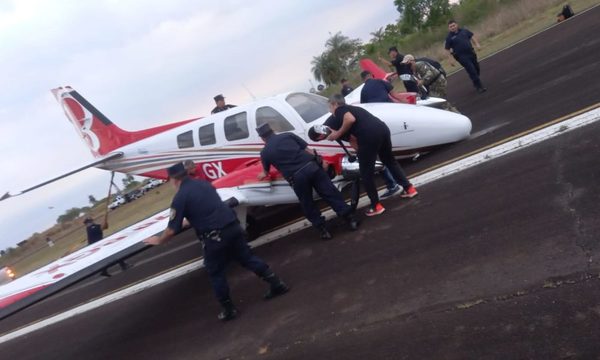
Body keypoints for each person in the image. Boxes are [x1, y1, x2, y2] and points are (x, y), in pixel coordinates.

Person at [144, 162, 289, 321]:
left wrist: (159, 240)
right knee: (247, 258)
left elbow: (171, 230)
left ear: (173, 179)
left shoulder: (180, 197)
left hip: (215, 237)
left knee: (215, 272)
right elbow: (208, 207)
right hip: (233, 227)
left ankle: (228, 309)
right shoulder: (204, 184)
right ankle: (277, 283)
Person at [257, 123, 358, 239]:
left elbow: (265, 172)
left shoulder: (264, 152)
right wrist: (321, 161)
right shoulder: (288, 136)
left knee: (307, 203)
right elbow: (309, 150)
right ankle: (350, 220)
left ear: (263, 138)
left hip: (296, 177)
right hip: (312, 167)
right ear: (273, 130)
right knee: (330, 193)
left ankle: (323, 230)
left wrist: (261, 175)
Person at [324, 94, 418, 216]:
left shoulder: (341, 110)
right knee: (390, 161)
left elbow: (350, 119)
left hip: (368, 136)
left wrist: (337, 134)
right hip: (382, 129)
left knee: (366, 173)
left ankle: (376, 206)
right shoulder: (355, 108)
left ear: (334, 104)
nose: (330, 110)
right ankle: (409, 188)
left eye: (329, 107)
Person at [445, 20, 486, 93]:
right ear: (449, 28)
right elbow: (447, 49)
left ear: (457, 25)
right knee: (471, 70)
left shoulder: (464, 31)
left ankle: (475, 81)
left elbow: (472, 36)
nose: (453, 27)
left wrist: (477, 44)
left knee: (476, 68)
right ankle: (479, 87)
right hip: (461, 56)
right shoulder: (449, 38)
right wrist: (450, 60)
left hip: (471, 52)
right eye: (451, 27)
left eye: (453, 25)